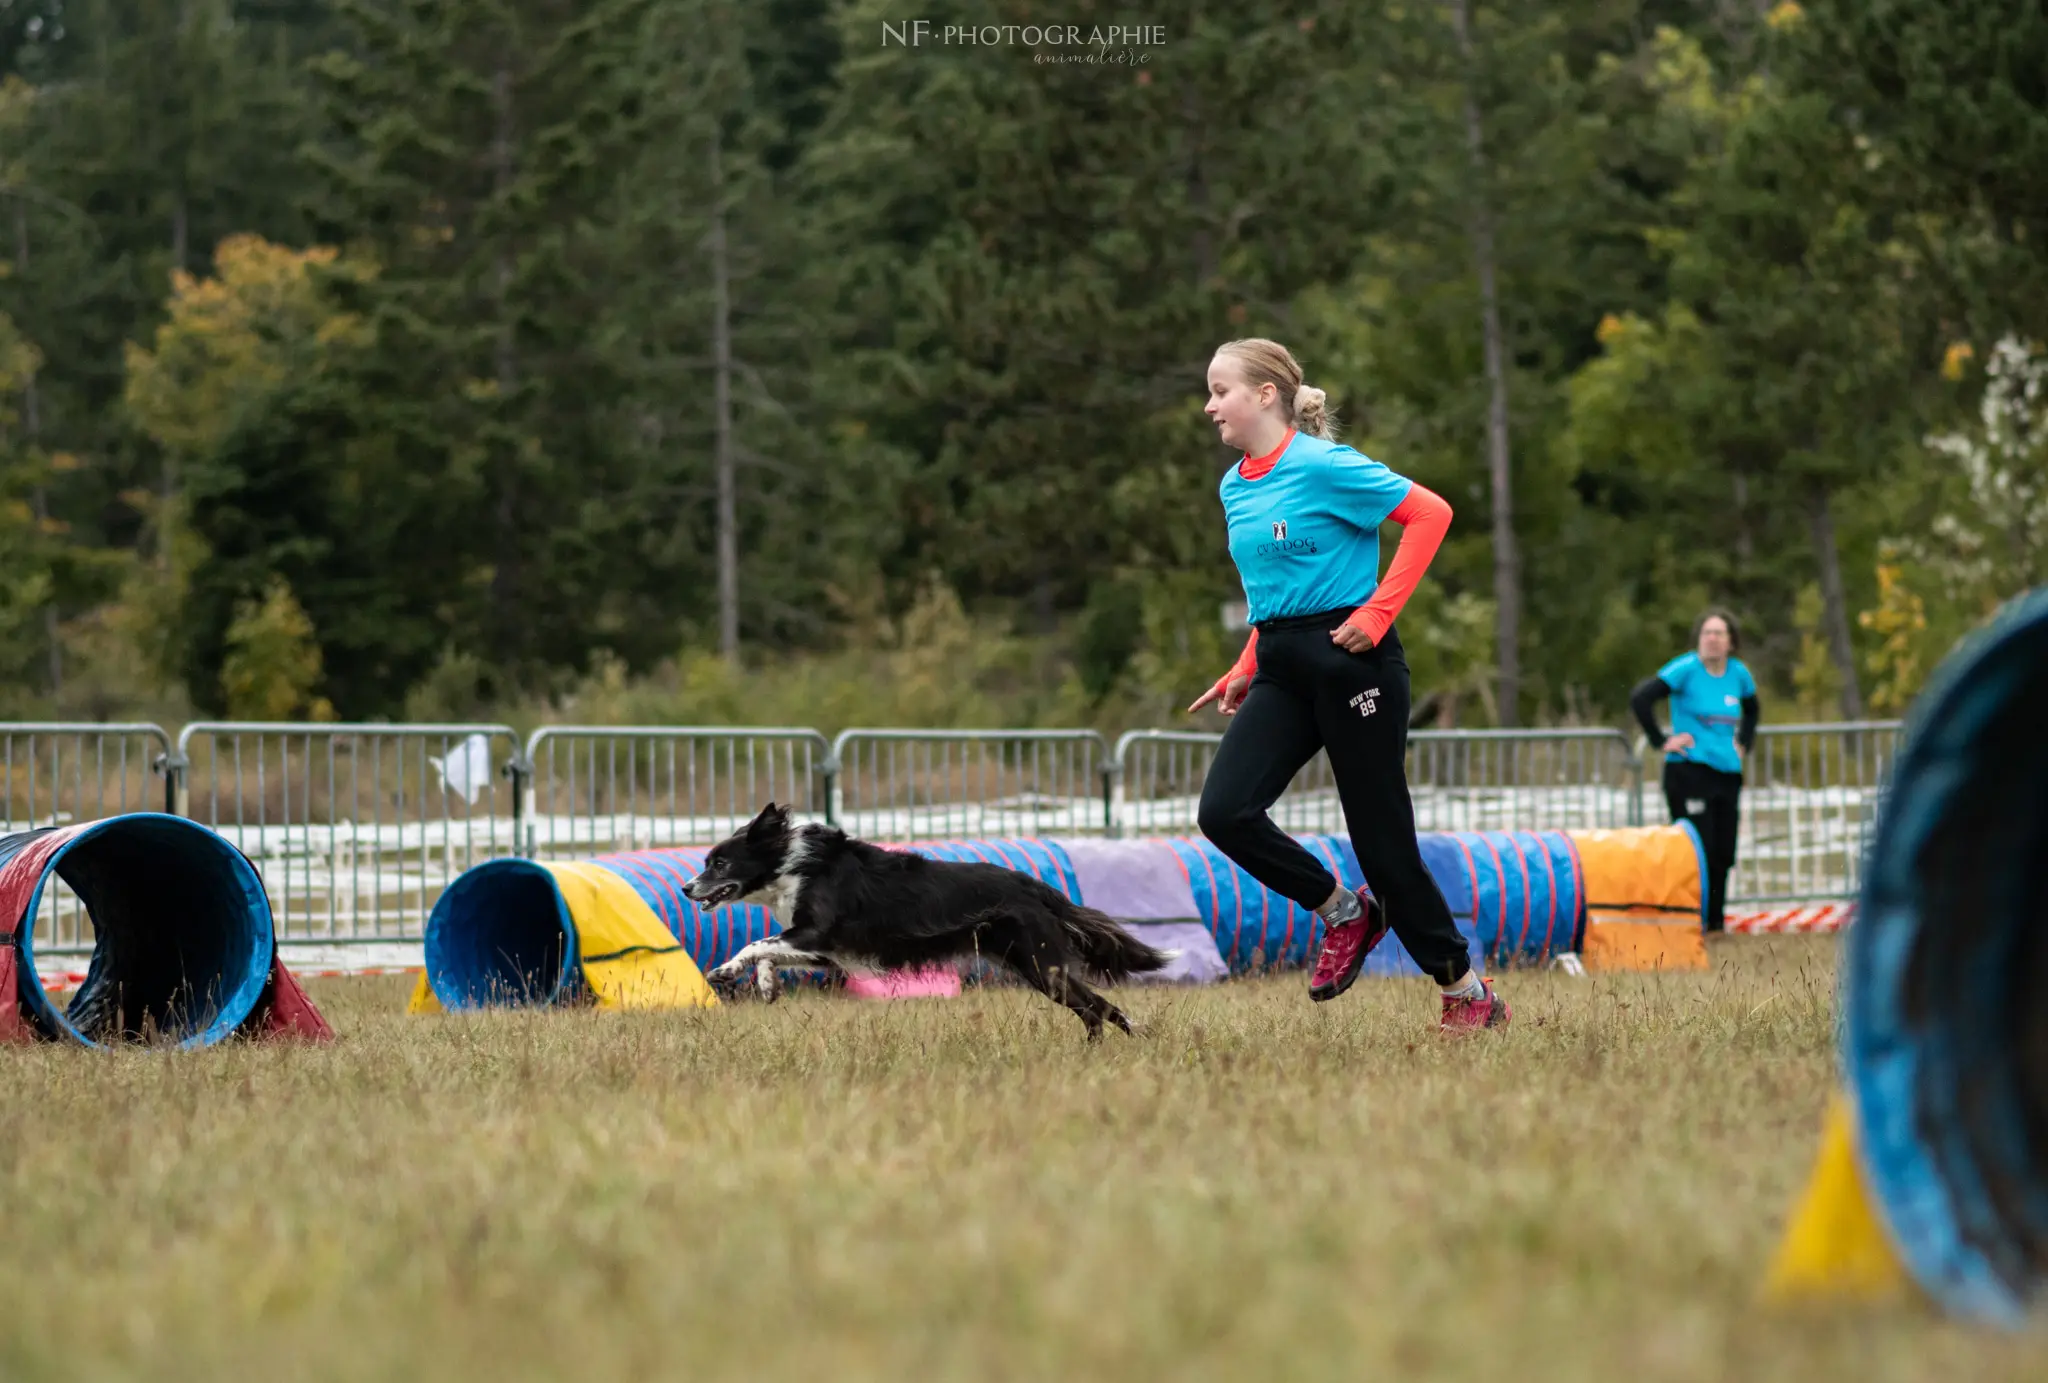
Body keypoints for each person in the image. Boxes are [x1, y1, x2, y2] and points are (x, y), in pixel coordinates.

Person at [1187, 338, 1508, 1032]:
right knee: (1224, 811)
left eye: (1220, 390)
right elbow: (1271, 588)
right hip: (1281, 663)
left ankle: (1467, 993)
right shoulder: (1233, 484)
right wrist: (1247, 661)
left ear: (1265, 395)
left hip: (1352, 660)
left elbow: (1431, 513)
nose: (1209, 405)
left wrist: (1380, 609)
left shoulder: (1324, 464)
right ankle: (1344, 911)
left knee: (1385, 849)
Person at [1630, 611, 1759, 934]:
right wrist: (1661, 740)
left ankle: (1715, 923)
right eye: (1707, 633)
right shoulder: (1685, 669)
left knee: (1723, 850)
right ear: (1699, 638)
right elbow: (1641, 699)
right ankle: (1691, 921)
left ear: (1730, 641)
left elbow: (1753, 708)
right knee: (1695, 849)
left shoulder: (1738, 673)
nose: (1712, 638)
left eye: (1719, 633)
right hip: (1688, 771)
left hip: (1727, 771)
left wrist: (1744, 740)